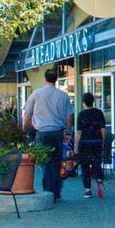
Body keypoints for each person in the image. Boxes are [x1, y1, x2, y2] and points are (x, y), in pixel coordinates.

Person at [22, 69, 73, 201]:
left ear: (45, 78)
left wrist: (24, 130)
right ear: (56, 79)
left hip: (42, 132)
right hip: (57, 132)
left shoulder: (36, 94)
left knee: (45, 162)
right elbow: (69, 116)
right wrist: (68, 132)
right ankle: (56, 191)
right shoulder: (63, 96)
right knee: (57, 162)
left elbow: (27, 115)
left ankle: (47, 191)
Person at [74, 92, 107, 198]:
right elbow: (102, 129)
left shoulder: (81, 115)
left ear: (84, 103)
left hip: (85, 143)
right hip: (96, 141)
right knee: (97, 162)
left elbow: (79, 132)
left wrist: (75, 145)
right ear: (93, 101)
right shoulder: (99, 113)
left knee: (85, 166)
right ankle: (99, 178)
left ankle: (88, 190)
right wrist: (102, 141)